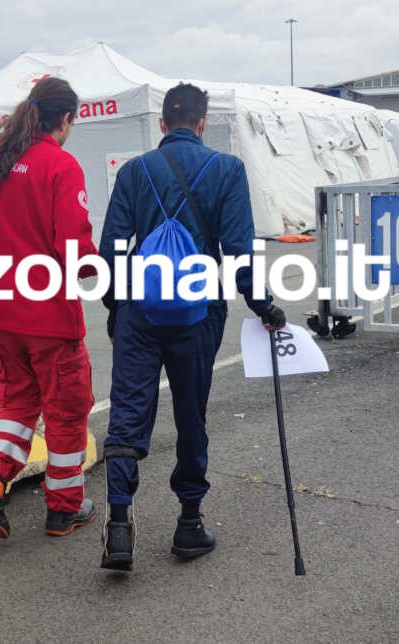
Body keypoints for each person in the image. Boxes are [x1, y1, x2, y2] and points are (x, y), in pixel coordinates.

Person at [98, 83, 286, 570]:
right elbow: (240, 251)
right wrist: (263, 305)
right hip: (199, 313)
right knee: (190, 417)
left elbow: (113, 251)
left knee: (128, 413)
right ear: (203, 123)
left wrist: (117, 310)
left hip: (141, 311)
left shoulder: (135, 172)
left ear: (162, 124)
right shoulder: (226, 170)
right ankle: (188, 523)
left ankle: (119, 526)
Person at [0, 77, 99, 539]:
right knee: (66, 407)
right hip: (45, 313)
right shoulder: (60, 165)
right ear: (66, 119)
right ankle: (63, 509)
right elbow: (73, 249)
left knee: (16, 401)